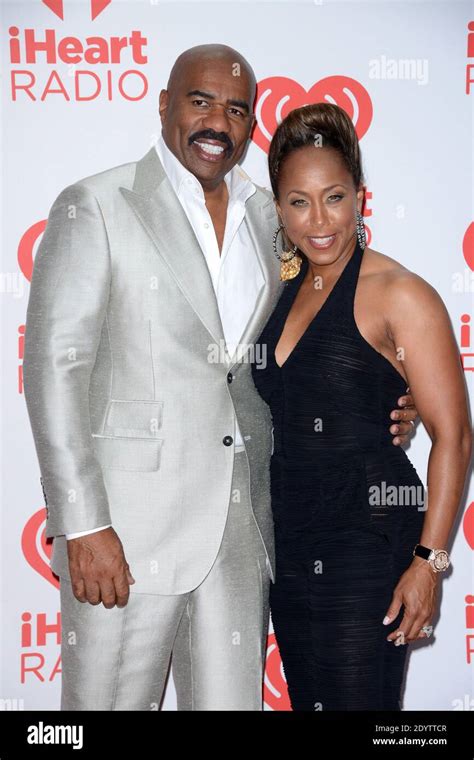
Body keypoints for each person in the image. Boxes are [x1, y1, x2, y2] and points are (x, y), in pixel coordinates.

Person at [22, 46, 417, 711]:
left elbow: (310, 333)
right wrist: (83, 523)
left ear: (249, 125)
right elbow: (54, 368)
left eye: (236, 109)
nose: (218, 121)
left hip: (242, 531)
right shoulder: (96, 205)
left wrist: (381, 397)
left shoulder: (273, 218)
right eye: (199, 100)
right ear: (164, 105)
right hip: (125, 534)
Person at [251, 102, 472, 711]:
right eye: (299, 201)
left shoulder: (399, 292)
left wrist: (430, 563)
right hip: (290, 543)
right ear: (279, 208)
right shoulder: (280, 290)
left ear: (361, 197)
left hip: (369, 537)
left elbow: (454, 435)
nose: (319, 219)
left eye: (335, 197)